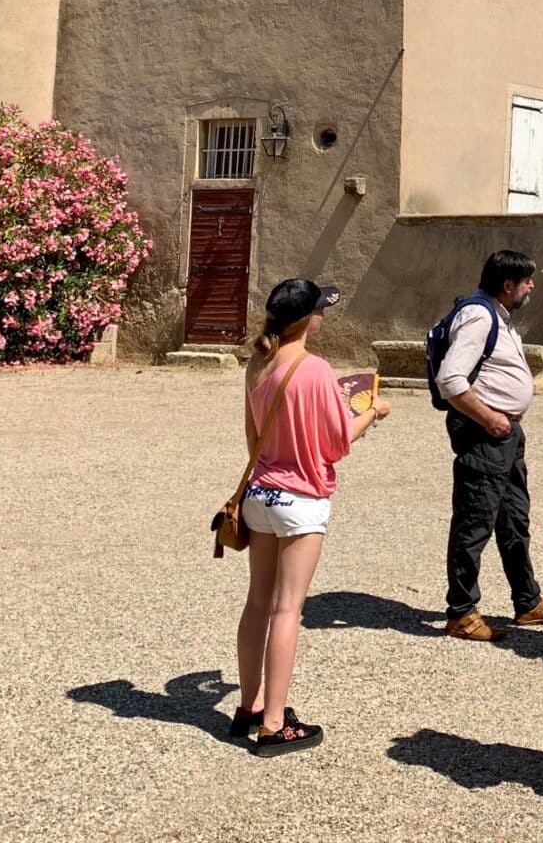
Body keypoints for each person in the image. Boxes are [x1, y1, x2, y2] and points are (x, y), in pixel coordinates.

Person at [234, 279, 389, 754]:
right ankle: (275, 723)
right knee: (288, 607)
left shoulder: (258, 363)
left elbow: (250, 433)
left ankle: (250, 706)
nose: (324, 315)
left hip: (260, 493)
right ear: (308, 319)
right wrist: (375, 412)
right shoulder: (315, 368)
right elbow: (337, 443)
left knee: (258, 599)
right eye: (321, 309)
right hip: (301, 497)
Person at [437, 249, 543, 641]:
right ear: (508, 285)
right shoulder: (479, 316)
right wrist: (490, 418)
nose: (532, 286)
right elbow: (451, 380)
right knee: (474, 521)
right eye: (527, 280)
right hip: (486, 434)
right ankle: (462, 612)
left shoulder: (499, 317)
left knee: (514, 518)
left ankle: (527, 602)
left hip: (505, 434)